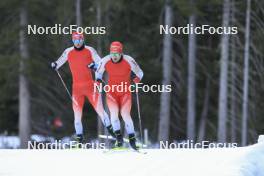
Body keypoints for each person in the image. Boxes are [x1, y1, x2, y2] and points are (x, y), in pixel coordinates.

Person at [51, 31, 115, 143]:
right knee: (77, 116)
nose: (78, 42)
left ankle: (115, 135)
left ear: (83, 39)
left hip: (91, 87)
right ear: (72, 40)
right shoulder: (68, 51)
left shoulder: (90, 50)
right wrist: (55, 64)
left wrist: (94, 66)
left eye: (80, 40)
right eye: (75, 40)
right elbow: (59, 61)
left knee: (101, 111)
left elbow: (101, 64)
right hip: (77, 89)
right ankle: (80, 142)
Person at [96, 41, 144, 150]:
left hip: (125, 92)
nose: (114, 57)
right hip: (111, 92)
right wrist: (98, 80)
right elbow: (98, 73)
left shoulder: (129, 60)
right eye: (112, 54)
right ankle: (119, 140)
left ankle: (132, 141)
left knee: (125, 114)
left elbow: (140, 73)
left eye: (116, 54)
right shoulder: (105, 60)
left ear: (121, 53)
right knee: (113, 115)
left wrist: (137, 79)